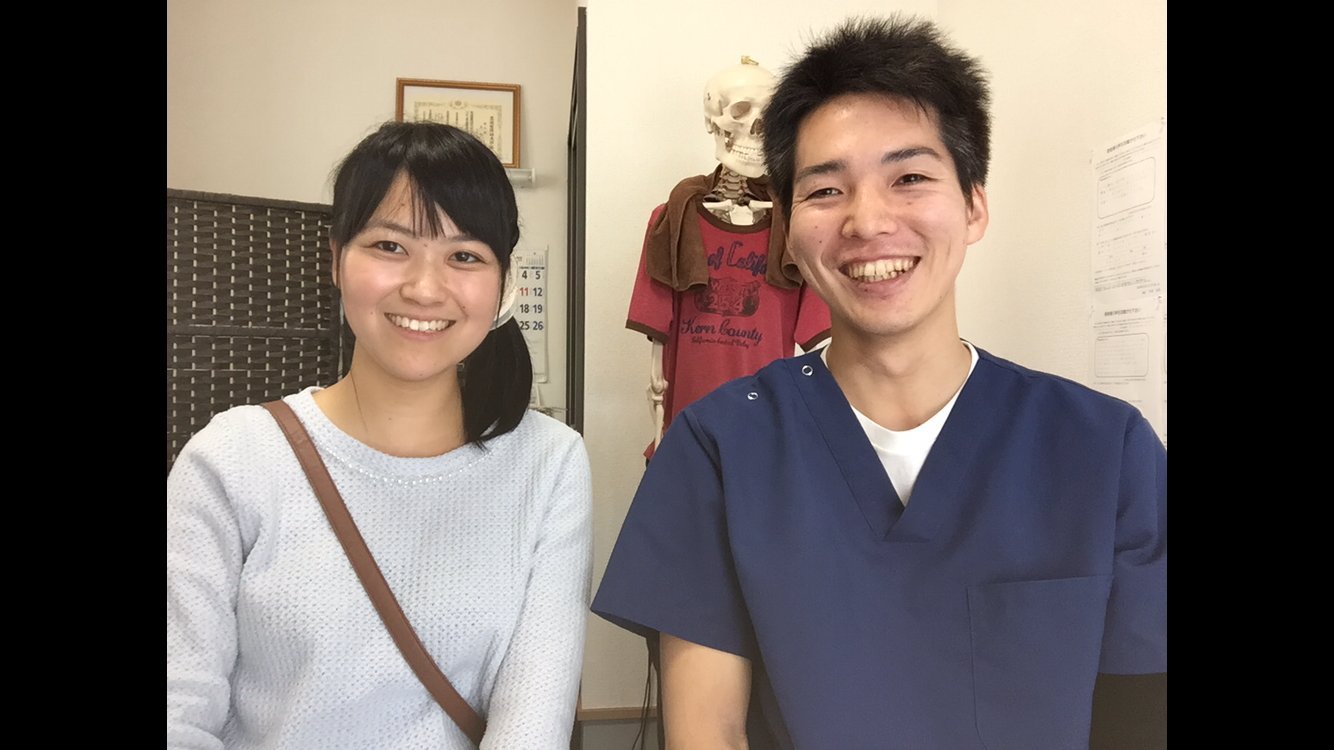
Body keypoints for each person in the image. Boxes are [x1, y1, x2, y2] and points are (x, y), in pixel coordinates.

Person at [592, 14, 1166, 749]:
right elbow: (710, 733)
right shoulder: (718, 449)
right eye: (826, 190)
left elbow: (1141, 720)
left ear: (974, 205)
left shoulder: (1106, 451)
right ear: (789, 227)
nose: (867, 221)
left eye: (910, 178)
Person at [167, 121, 593, 749]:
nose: (424, 288)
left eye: (465, 256)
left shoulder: (550, 463)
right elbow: (178, 712)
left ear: (504, 283)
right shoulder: (232, 459)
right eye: (390, 246)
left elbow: (534, 718)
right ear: (336, 258)